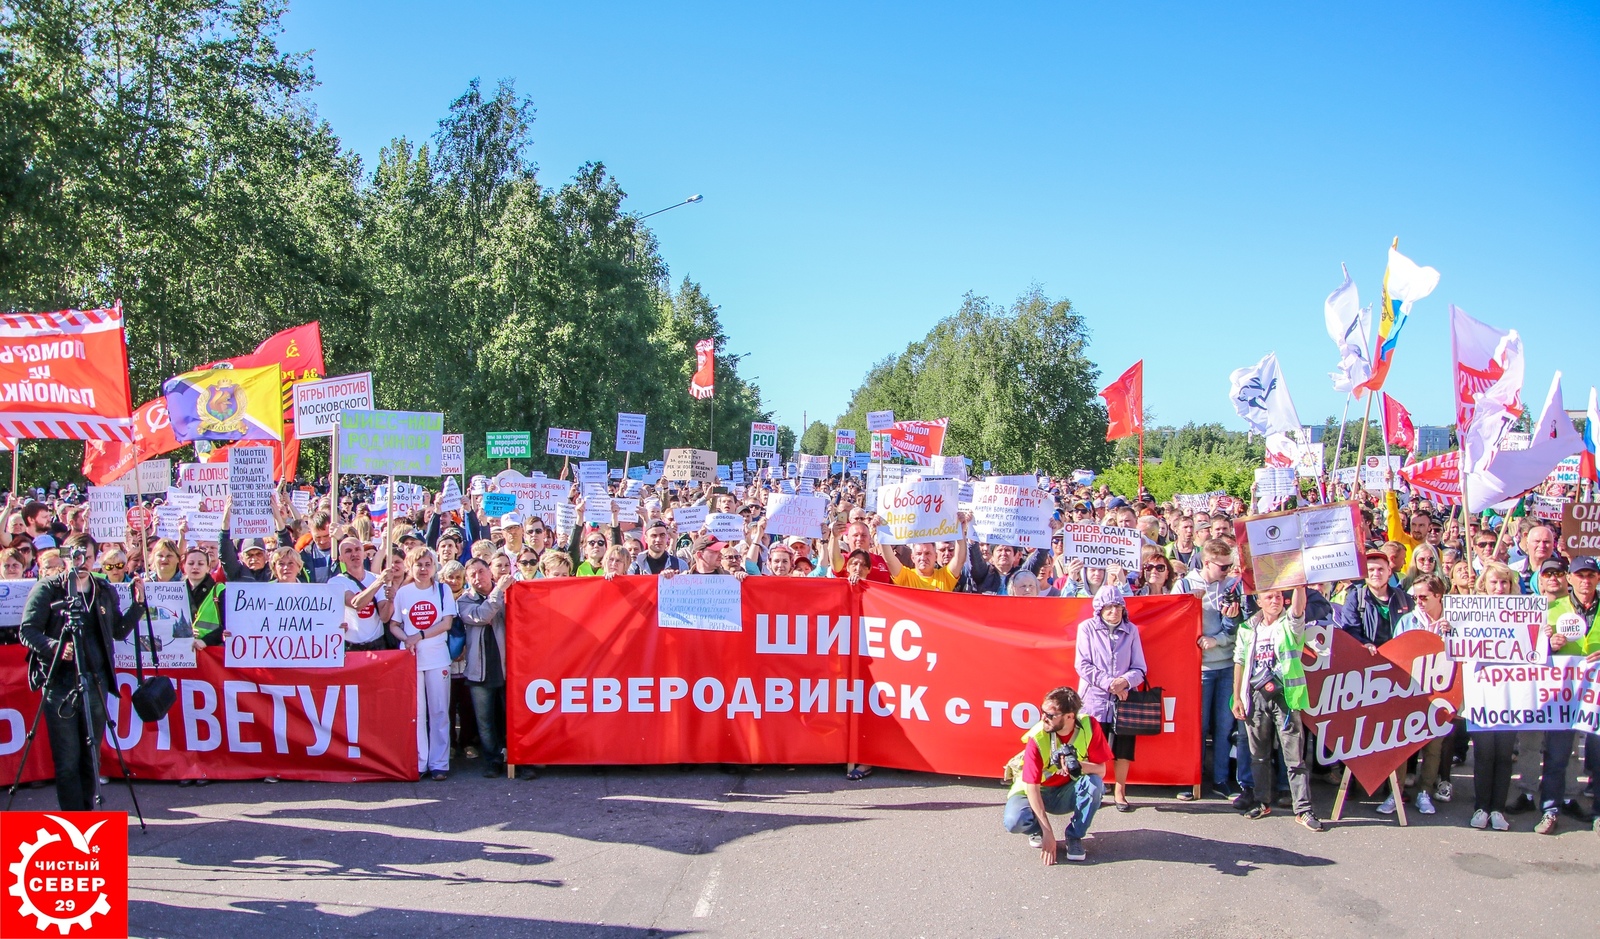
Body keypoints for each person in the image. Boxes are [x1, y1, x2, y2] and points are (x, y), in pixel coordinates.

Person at [18, 550, 145, 810]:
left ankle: (89, 816)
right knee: (67, 759)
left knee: (91, 756)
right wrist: (53, 646)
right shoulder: (49, 589)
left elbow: (119, 631)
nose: (83, 562)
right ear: (67, 558)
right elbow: (27, 631)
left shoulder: (103, 589)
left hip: (94, 681)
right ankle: (72, 818)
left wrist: (139, 604)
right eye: (78, 556)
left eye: (88, 557)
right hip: (60, 684)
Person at [1232, 583, 1323, 831]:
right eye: (1269, 597)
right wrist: (1237, 697)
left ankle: (1303, 809)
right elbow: (1239, 661)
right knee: (1258, 755)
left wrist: (1298, 585)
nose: (1276, 600)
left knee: (1294, 757)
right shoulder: (1247, 628)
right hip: (1255, 697)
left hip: (1286, 697)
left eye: (1279, 596)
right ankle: (1262, 801)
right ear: (1259, 602)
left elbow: (1297, 608)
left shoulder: (1290, 624)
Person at [1001, 686, 1111, 864]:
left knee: (1095, 784)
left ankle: (1074, 837)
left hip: (1068, 791)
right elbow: (1032, 787)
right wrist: (1048, 833)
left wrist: (1078, 765)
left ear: (1070, 716)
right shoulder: (1037, 737)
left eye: (1050, 715)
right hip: (1038, 792)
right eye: (1042, 711)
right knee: (1014, 822)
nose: (1043, 718)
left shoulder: (1089, 726)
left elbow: (1102, 771)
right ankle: (1036, 830)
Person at [1536, 554, 1600, 836]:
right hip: (1563, 695)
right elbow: (1533, 652)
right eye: (1580, 575)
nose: (1585, 581)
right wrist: (1549, 645)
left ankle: (1598, 812)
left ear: (1597, 578)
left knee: (1598, 757)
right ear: (1570, 579)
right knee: (1557, 755)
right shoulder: (1552, 608)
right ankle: (1550, 810)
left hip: (1595, 698)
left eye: (1591, 575)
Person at [1178, 538, 1242, 800]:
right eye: (1223, 567)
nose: (1227, 571)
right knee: (1197, 727)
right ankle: (1191, 778)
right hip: (1199, 667)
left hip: (1226, 664)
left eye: (1229, 566)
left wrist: (1220, 640)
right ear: (1207, 562)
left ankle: (1220, 779)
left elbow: (1239, 625)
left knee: (1225, 726)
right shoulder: (1185, 584)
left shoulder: (1232, 586)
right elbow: (1176, 622)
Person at [1074, 584, 1145, 811]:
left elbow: (1140, 667)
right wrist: (1110, 684)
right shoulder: (1086, 628)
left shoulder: (1131, 630)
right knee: (1093, 747)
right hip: (1094, 699)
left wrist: (1124, 682)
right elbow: (1082, 664)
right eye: (1108, 607)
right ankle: (1093, 790)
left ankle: (1120, 791)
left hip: (1124, 700)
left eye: (1118, 607)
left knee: (1123, 747)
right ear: (1099, 609)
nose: (1114, 611)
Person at [389, 545, 458, 780]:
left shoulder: (442, 590)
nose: (423, 569)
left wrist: (419, 635)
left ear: (434, 566)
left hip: (438, 658)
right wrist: (406, 640)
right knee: (416, 713)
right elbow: (394, 625)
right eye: (419, 564)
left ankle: (439, 762)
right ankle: (419, 762)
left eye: (428, 564)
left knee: (439, 710)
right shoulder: (403, 593)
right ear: (411, 566)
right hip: (411, 660)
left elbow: (446, 623)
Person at [1390, 573, 1451, 815]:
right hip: (1410, 690)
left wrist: (1451, 635)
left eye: (1424, 597)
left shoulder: (1453, 620)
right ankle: (1396, 794)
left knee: (1434, 746)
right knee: (1402, 743)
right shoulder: (1407, 621)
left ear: (1439, 595)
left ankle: (1425, 791)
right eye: (1415, 597)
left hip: (1442, 692)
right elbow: (1394, 654)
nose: (1419, 602)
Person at [458, 557, 516, 778]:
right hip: (479, 671)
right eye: (472, 574)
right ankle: (492, 760)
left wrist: (502, 591)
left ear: (489, 572)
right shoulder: (464, 601)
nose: (477, 577)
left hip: (506, 668)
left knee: (511, 716)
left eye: (481, 571)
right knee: (485, 721)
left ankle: (515, 756)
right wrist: (498, 591)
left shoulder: (509, 593)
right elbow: (482, 615)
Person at [1337, 549, 1413, 653]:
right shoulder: (1355, 599)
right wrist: (1364, 644)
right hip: (1370, 661)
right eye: (1371, 570)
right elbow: (1350, 630)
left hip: (1401, 658)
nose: (1376, 574)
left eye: (1380, 569)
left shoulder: (1404, 599)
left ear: (1389, 571)